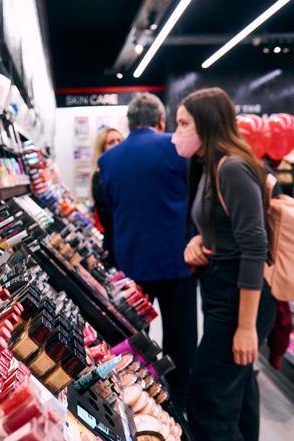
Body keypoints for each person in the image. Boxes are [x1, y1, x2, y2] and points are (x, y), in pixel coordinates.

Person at [176, 87, 276, 441]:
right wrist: (198, 241)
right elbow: (225, 228)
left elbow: (254, 246)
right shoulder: (210, 165)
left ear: (207, 123)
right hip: (222, 293)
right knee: (236, 391)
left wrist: (246, 327)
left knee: (208, 401)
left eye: (184, 124)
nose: (176, 133)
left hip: (238, 300)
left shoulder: (231, 167)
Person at [98, 93, 196, 412]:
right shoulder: (177, 148)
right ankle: (178, 405)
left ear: (128, 123)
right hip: (177, 260)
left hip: (132, 262)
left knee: (134, 337)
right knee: (181, 338)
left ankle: (137, 400)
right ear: (161, 120)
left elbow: (109, 212)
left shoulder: (109, 160)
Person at [90, 127, 124, 266]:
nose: (117, 144)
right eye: (111, 142)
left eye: (119, 140)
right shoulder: (100, 177)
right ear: (102, 149)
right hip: (117, 245)